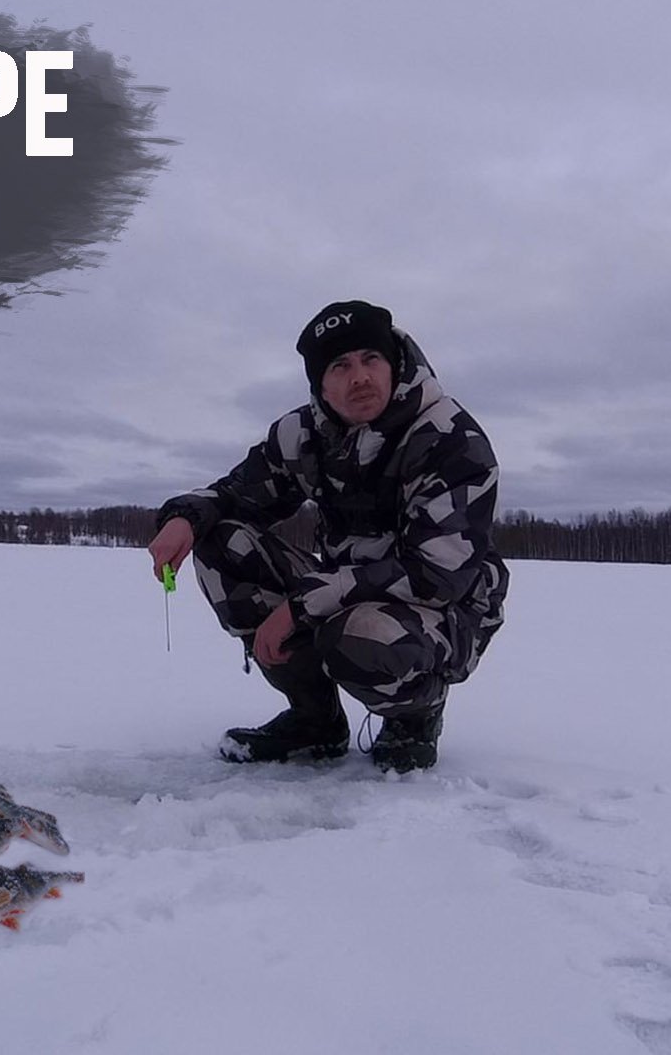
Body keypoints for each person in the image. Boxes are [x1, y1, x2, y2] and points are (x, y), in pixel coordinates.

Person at [147, 301, 508, 772]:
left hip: (448, 610)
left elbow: (439, 574)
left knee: (360, 633)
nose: (359, 376)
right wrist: (185, 518)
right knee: (223, 543)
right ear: (320, 383)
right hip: (343, 590)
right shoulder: (304, 435)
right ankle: (315, 721)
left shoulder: (450, 439)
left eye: (370, 359)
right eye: (340, 365)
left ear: (394, 364)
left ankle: (415, 718)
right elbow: (237, 493)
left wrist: (300, 606)